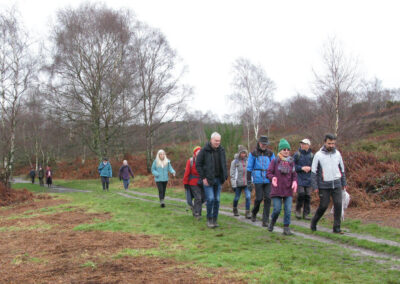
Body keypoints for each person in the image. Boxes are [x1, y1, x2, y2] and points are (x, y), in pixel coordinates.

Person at [310, 134, 347, 234]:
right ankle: (314, 222)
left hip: (337, 183)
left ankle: (337, 228)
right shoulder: (318, 155)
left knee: (338, 205)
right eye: (329, 143)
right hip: (324, 185)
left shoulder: (338, 154)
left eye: (333, 143)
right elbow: (313, 172)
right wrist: (315, 186)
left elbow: (342, 169)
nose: (331, 145)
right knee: (323, 206)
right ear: (325, 143)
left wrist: (344, 182)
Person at [196, 132, 228, 228]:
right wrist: (203, 178)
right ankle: (209, 219)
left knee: (217, 200)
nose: (217, 142)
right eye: (216, 141)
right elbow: (198, 165)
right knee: (210, 199)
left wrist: (225, 176)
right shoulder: (204, 151)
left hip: (218, 179)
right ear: (211, 140)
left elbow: (224, 164)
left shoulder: (222, 150)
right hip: (208, 180)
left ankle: (215, 220)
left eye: (219, 141)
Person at [267, 139, 298, 235]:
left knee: (288, 210)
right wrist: (273, 178)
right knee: (277, 209)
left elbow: (294, 174)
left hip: (288, 190)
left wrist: (294, 182)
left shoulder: (291, 162)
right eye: (284, 149)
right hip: (277, 190)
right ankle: (272, 222)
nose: (286, 151)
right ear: (280, 150)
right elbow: (268, 173)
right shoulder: (275, 161)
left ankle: (286, 228)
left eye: (288, 149)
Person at [247, 136, 275, 227]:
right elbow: (249, 168)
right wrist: (249, 181)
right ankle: (254, 213)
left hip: (268, 178)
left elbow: (274, 166)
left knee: (268, 198)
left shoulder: (270, 154)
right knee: (258, 198)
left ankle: (265, 219)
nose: (264, 145)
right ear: (259, 143)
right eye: (263, 143)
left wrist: (275, 178)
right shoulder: (253, 153)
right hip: (257, 178)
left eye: (265, 144)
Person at [294, 138, 314, 220]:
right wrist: (301, 168)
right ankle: (298, 210)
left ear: (308, 145)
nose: (302, 145)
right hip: (299, 178)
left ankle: (306, 214)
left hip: (309, 179)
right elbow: (292, 166)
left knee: (308, 196)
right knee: (301, 194)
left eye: (304, 144)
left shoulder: (312, 156)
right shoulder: (296, 154)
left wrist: (310, 168)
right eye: (302, 143)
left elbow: (316, 167)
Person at [230, 145, 251, 219]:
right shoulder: (234, 162)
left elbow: (250, 172)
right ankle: (235, 209)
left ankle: (247, 212)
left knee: (248, 197)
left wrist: (251, 182)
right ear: (239, 153)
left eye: (244, 153)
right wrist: (233, 185)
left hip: (246, 183)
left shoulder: (248, 161)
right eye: (242, 153)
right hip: (238, 184)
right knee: (236, 198)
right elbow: (232, 174)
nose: (243, 154)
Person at [183, 146, 204, 220]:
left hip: (202, 182)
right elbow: (186, 172)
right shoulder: (190, 161)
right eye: (198, 152)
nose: (199, 154)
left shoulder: (204, 160)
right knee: (198, 198)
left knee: (203, 198)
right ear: (195, 153)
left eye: (200, 152)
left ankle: (196, 210)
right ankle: (197, 214)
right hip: (193, 183)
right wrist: (185, 183)